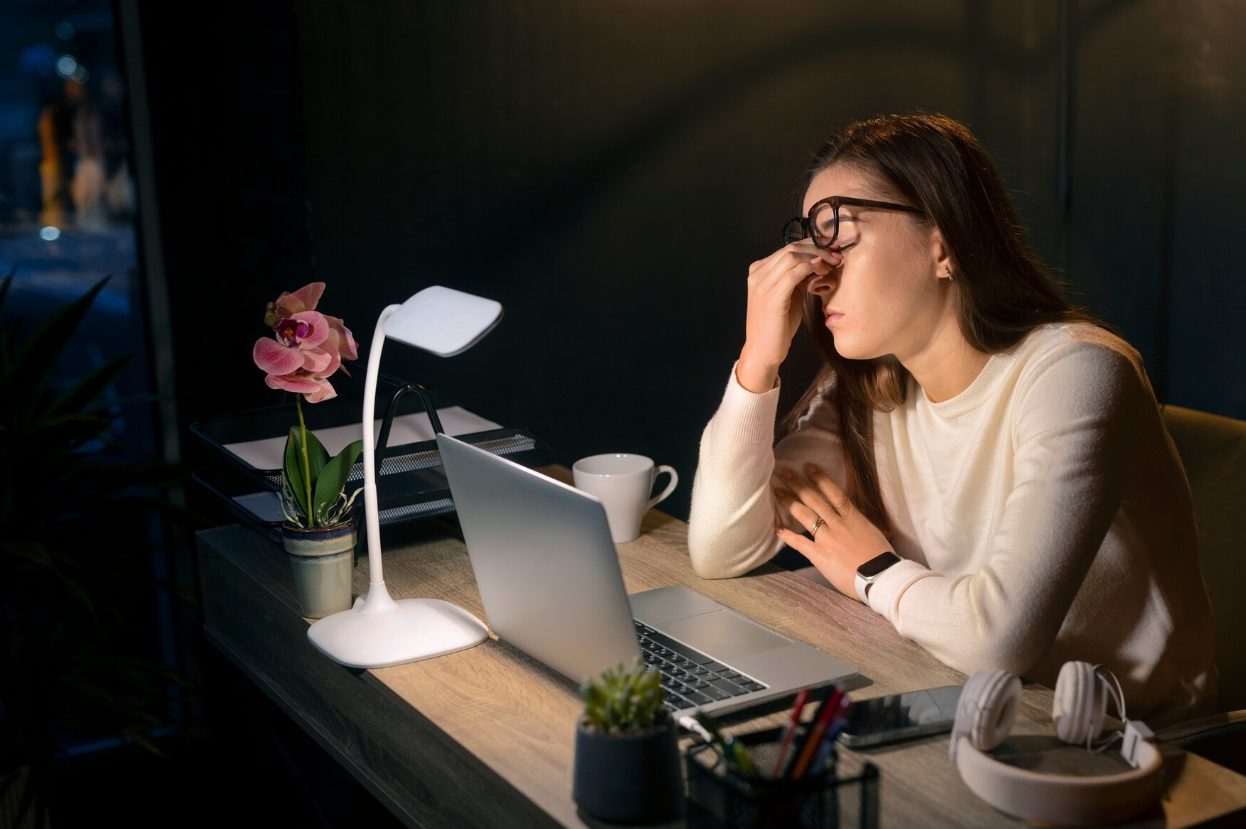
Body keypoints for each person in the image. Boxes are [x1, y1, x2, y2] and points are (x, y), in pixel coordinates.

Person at [686, 113, 1218, 728]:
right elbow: (723, 548)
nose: (816, 270)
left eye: (838, 234)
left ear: (944, 243)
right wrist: (758, 359)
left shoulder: (1077, 373)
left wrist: (874, 571)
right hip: (961, 705)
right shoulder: (867, 385)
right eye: (808, 239)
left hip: (1129, 751)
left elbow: (998, 639)